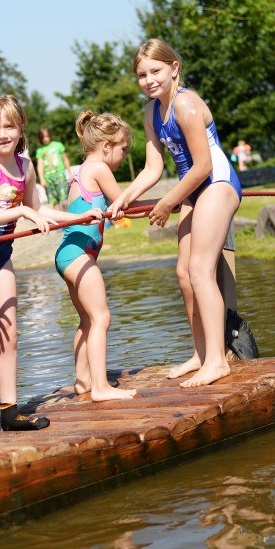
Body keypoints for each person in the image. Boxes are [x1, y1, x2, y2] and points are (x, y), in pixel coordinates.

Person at [0, 95, 90, 438]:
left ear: (20, 129)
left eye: (9, 126)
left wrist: (81, 216)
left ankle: (9, 412)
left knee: (10, 334)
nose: (2, 134)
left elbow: (38, 210)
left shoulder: (26, 167)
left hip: (1, 256)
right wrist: (20, 213)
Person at [108, 39, 242, 388]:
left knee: (200, 270)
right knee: (184, 274)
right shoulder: (151, 113)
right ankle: (201, 353)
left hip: (216, 184)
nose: (149, 79)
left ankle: (217, 360)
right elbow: (153, 169)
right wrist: (122, 198)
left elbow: (202, 166)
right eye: (142, 74)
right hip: (193, 189)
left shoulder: (187, 105)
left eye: (156, 71)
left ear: (174, 68)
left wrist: (167, 202)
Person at [55, 111, 137, 402]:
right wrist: (165, 203)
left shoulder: (80, 169)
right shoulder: (99, 168)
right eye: (122, 149)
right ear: (106, 146)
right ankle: (101, 387)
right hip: (79, 254)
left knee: (87, 320)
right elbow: (125, 201)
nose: (122, 154)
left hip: (69, 254)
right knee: (101, 316)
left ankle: (84, 380)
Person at [36, 126, 72, 209]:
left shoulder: (58, 145)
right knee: (54, 200)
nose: (45, 139)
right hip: (48, 178)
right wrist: (42, 179)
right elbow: (40, 166)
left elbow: (65, 160)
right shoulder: (40, 150)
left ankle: (68, 217)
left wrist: (70, 174)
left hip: (60, 175)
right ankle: (60, 220)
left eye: (47, 136)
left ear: (50, 135)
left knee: (64, 198)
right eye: (43, 137)